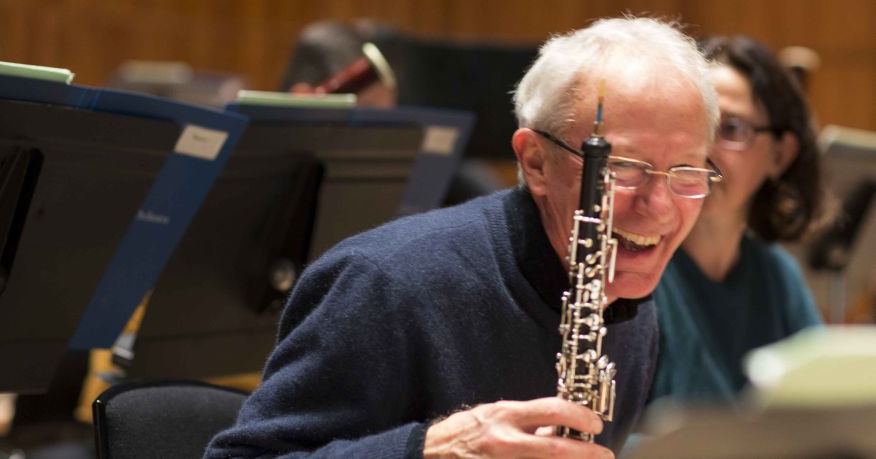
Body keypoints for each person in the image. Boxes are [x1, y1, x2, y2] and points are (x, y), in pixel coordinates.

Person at [205, 16, 721, 458]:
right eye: (624, 169)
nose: (657, 205)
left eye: (687, 172)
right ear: (536, 162)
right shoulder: (386, 284)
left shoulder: (632, 297)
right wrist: (429, 449)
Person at [650, 35, 831, 405]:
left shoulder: (778, 277)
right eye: (695, 125)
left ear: (780, 155)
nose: (703, 150)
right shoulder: (637, 268)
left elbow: (822, 415)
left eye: (731, 129)